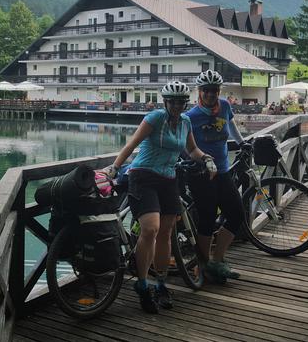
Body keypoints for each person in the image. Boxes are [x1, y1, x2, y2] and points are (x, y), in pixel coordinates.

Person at [105, 81, 216, 314]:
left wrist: (206, 158)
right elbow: (132, 144)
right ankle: (143, 284)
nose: (177, 105)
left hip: (168, 179)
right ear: (165, 101)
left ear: (186, 103)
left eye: (181, 102)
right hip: (143, 176)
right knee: (150, 229)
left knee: (166, 232)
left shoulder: (185, 122)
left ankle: (162, 284)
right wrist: (114, 168)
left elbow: (192, 149)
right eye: (173, 101)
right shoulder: (155, 118)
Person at [185, 69, 248, 283]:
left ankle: (217, 260)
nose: (211, 94)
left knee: (237, 213)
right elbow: (183, 145)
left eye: (214, 90)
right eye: (206, 90)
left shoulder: (225, 106)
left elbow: (230, 124)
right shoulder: (190, 117)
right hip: (200, 174)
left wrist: (242, 142)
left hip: (222, 170)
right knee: (207, 217)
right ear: (199, 91)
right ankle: (202, 266)